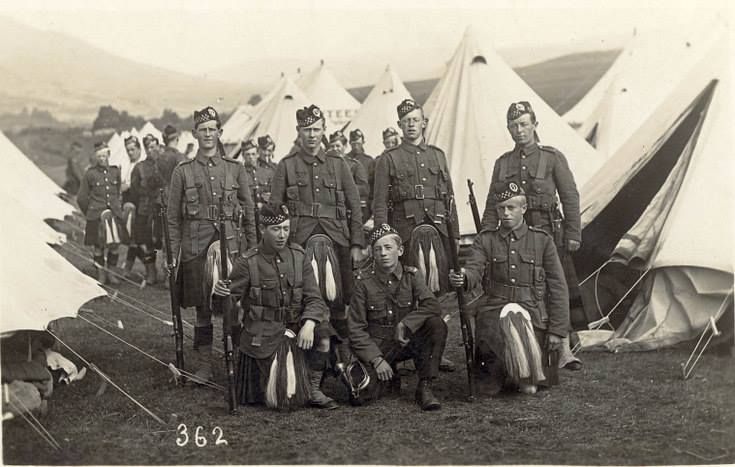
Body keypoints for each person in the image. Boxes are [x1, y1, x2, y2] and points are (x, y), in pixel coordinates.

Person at [269, 104, 366, 407]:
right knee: (306, 308)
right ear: (298, 132)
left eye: (316, 129)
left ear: (324, 130)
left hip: (337, 244)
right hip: (299, 246)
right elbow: (273, 210)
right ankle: (312, 375)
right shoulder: (286, 166)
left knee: (341, 308)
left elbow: (354, 206)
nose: (311, 135)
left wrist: (356, 245)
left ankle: (344, 367)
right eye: (306, 130)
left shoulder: (339, 164)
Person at [480, 101, 583, 371]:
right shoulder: (503, 163)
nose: (519, 130)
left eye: (524, 124)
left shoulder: (551, 157)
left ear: (535, 125)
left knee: (554, 286)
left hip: (548, 232)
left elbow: (570, 196)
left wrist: (573, 232)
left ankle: (563, 347)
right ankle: (533, 342)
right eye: (514, 126)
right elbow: (493, 202)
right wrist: (485, 236)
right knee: (529, 289)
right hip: (515, 235)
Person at [449, 181, 569, 394]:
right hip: (494, 309)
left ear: (523, 208)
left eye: (511, 207)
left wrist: (557, 331)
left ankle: (520, 372)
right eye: (501, 208)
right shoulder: (486, 240)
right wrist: (464, 277)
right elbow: (474, 269)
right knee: (488, 386)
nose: (505, 213)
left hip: (533, 312)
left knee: (532, 387)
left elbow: (558, 287)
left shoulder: (542, 241)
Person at [212, 204, 335, 410]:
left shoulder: (299, 256)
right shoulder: (248, 262)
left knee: (324, 335)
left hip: (296, 326)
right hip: (263, 332)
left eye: (286, 228)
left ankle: (313, 388)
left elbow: (315, 298)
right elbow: (225, 305)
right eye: (276, 229)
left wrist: (309, 324)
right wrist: (219, 294)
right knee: (278, 394)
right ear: (262, 229)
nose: (282, 235)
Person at [167, 106, 257, 383]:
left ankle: (239, 362)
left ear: (220, 133)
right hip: (195, 248)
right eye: (202, 130)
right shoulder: (182, 172)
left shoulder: (235, 169)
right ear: (195, 134)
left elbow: (249, 211)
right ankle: (204, 365)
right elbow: (172, 218)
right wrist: (171, 257)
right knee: (202, 310)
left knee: (235, 307)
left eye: (212, 130)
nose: (208, 134)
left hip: (231, 245)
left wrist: (253, 249)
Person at [372, 99, 459, 371]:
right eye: (406, 120)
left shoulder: (438, 155)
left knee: (439, 294)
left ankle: (435, 351)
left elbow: (450, 198)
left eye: (415, 119)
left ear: (424, 123)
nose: (411, 125)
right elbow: (379, 202)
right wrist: (383, 239)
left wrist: (453, 235)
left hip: (437, 233)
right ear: (399, 126)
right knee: (405, 294)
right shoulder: (388, 159)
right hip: (405, 235)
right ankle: (402, 351)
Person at [349, 224, 447, 410]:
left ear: (400, 250)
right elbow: (355, 329)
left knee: (436, 324)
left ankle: (425, 386)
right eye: (378, 249)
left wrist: (405, 324)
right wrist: (376, 360)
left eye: (388, 248)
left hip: (405, 341)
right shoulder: (362, 282)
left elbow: (432, 304)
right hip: (378, 345)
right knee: (360, 396)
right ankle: (389, 375)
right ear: (372, 254)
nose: (383, 253)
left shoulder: (412, 276)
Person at [77, 142, 126, 285]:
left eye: (104, 155)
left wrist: (117, 208)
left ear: (109, 155)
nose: (102, 159)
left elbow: (117, 192)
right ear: (95, 157)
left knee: (114, 245)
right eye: (99, 156)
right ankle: (101, 275)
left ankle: (111, 273)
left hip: (113, 214)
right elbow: (81, 198)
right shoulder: (90, 174)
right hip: (96, 216)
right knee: (98, 247)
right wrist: (91, 212)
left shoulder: (115, 171)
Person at [128, 135, 165, 285]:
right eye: (149, 147)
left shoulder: (165, 165)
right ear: (145, 149)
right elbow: (134, 190)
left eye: (154, 147)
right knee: (147, 243)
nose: (152, 150)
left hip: (162, 209)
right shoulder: (139, 167)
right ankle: (151, 272)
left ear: (159, 147)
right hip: (145, 210)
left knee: (164, 242)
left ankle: (168, 274)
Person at [328, 130, 371, 224]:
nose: (335, 149)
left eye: (338, 146)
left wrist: (345, 189)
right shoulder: (325, 165)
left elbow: (364, 188)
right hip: (330, 211)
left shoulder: (354, 165)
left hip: (348, 210)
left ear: (345, 146)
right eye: (332, 146)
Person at [347, 128, 376, 201]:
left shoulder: (369, 161)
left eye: (359, 144)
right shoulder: (345, 160)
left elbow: (372, 184)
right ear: (350, 143)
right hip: (348, 199)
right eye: (354, 144)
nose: (356, 147)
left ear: (363, 142)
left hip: (365, 200)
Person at [255, 135, 278, 204]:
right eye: (264, 150)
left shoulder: (276, 168)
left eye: (269, 150)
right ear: (259, 150)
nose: (266, 153)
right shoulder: (254, 167)